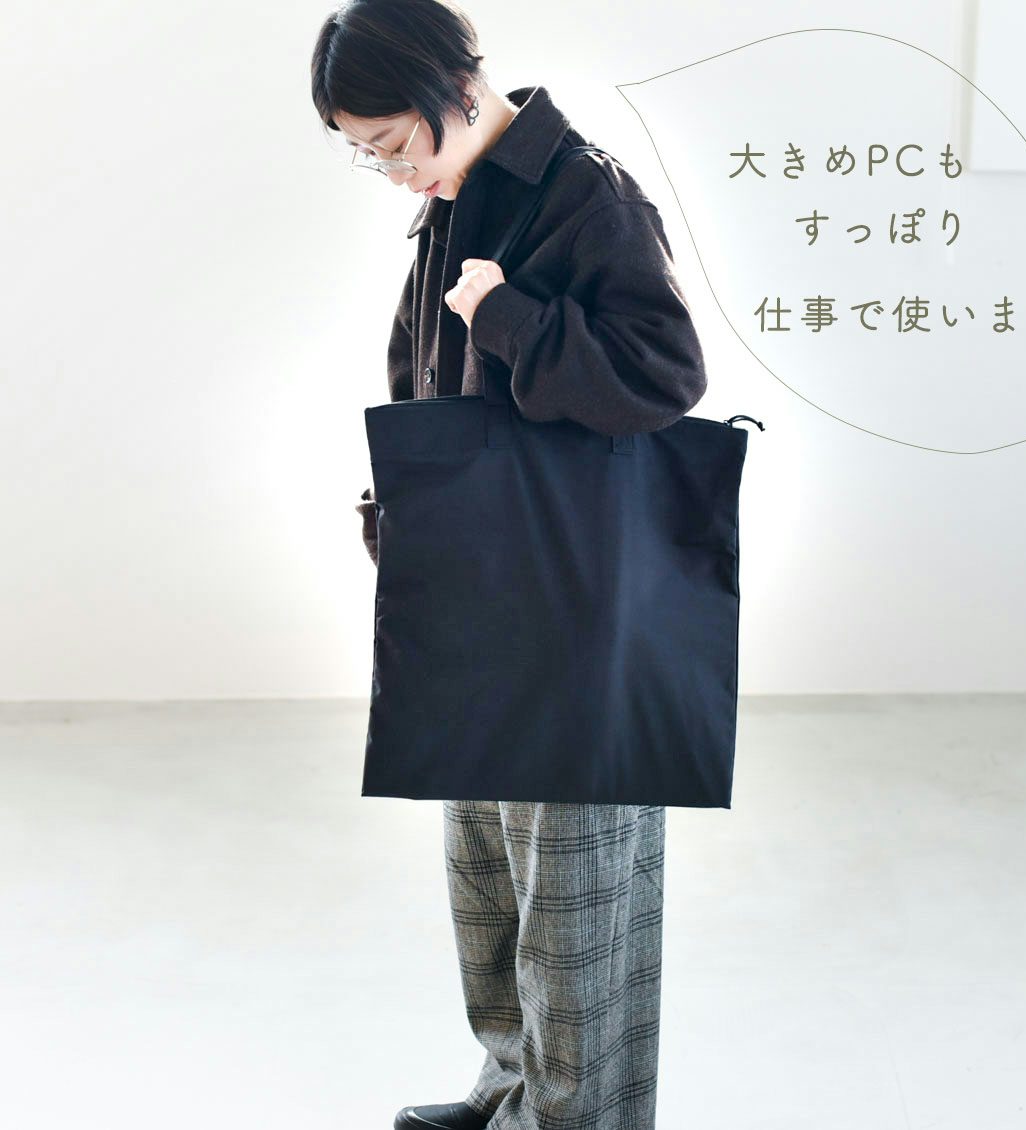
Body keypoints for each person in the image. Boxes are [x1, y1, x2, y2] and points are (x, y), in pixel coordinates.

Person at [311, 3, 709, 1127]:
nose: (392, 173)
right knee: (490, 876)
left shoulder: (585, 192)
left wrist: (512, 318)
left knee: (574, 894)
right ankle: (511, 1092)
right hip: (484, 589)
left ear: (453, 84)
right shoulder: (459, 198)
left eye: (392, 144)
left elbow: (665, 374)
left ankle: (574, 1116)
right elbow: (432, 386)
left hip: (575, 602)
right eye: (367, 155)